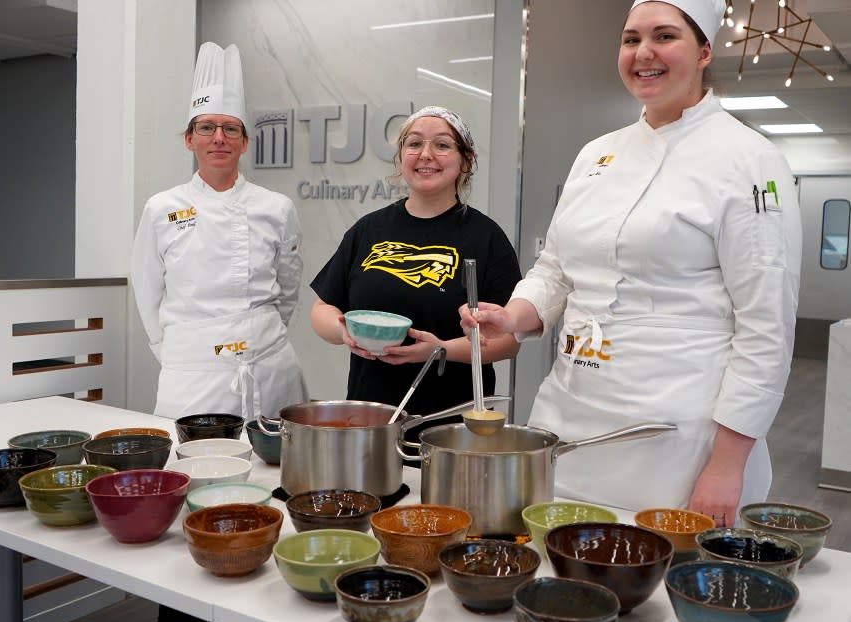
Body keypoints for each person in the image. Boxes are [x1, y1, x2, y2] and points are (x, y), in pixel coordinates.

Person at [462, 0, 801, 528]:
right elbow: (556, 267)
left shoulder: (750, 160)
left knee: (654, 587)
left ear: (705, 51)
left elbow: (767, 327)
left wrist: (727, 465)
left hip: (676, 433)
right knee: (558, 563)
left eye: (664, 36)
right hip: (571, 413)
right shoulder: (597, 153)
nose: (643, 53)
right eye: (630, 39)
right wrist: (514, 314)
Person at [131, 42, 306, 622]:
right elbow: (147, 294)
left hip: (268, 370)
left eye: (230, 128)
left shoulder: (274, 207)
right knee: (192, 498)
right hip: (193, 378)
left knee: (266, 495)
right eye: (207, 128)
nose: (219, 138)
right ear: (189, 138)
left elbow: (287, 290)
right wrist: (184, 353)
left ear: (245, 140)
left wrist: (253, 338)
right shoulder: (161, 209)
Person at [309, 106, 521, 434]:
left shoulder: (486, 238)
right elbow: (323, 308)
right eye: (414, 144)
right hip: (370, 419)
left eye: (442, 145)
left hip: (451, 426)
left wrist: (441, 350)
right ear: (400, 157)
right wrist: (343, 333)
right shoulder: (368, 230)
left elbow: (509, 340)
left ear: (465, 160)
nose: (425, 155)